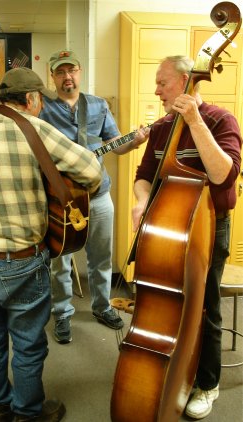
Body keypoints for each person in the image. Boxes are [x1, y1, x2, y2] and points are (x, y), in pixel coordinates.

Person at [0, 67, 102, 422]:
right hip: (19, 262)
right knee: (28, 345)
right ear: (31, 100)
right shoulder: (33, 127)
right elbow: (92, 172)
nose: (41, 108)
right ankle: (27, 413)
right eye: (40, 102)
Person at [132, 56, 242, 420]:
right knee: (166, 300)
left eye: (162, 82)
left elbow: (224, 175)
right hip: (166, 227)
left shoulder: (220, 120)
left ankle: (207, 384)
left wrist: (194, 121)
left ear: (185, 80)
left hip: (208, 227)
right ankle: (172, 367)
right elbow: (145, 172)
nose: (156, 90)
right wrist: (141, 201)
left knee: (204, 306)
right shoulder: (163, 126)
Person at [39, 50, 147, 344]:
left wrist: (134, 142)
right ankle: (61, 312)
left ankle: (102, 306)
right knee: (61, 259)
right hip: (62, 198)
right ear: (52, 76)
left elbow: (115, 144)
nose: (67, 77)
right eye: (60, 72)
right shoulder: (42, 108)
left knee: (101, 257)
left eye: (71, 70)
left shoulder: (98, 105)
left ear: (80, 71)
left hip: (98, 195)